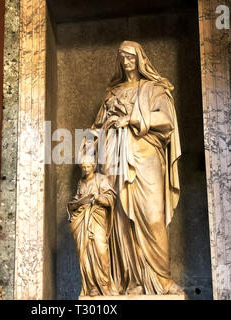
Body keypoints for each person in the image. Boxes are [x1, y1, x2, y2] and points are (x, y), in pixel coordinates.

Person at [89, 40, 183, 295]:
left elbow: (166, 120)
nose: (126, 61)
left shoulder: (155, 89)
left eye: (130, 56)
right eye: (122, 57)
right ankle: (133, 282)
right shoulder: (113, 92)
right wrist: (92, 144)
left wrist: (130, 118)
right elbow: (96, 129)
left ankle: (161, 279)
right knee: (121, 220)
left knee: (153, 217)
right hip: (115, 161)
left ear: (140, 59)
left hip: (146, 157)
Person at [67, 157, 118, 297]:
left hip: (97, 218)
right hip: (82, 221)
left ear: (94, 166)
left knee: (101, 250)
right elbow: (78, 198)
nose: (85, 170)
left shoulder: (101, 179)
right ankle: (91, 286)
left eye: (88, 167)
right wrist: (76, 204)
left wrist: (99, 198)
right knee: (84, 255)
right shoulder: (81, 182)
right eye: (83, 167)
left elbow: (111, 197)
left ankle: (104, 284)